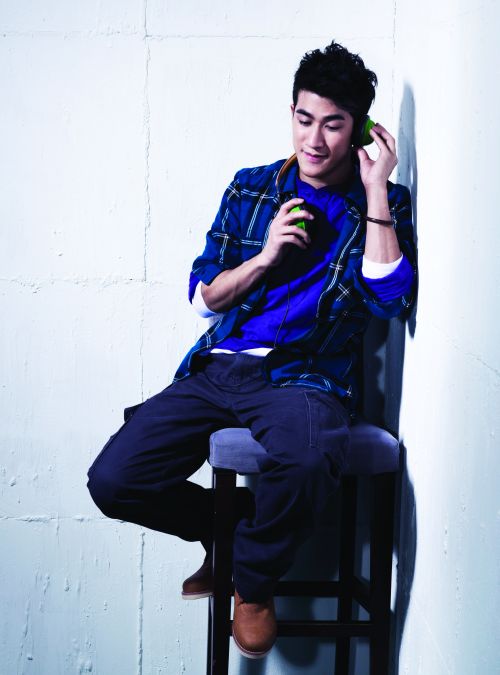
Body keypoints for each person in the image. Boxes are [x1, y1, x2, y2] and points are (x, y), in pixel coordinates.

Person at [87, 40, 416, 660]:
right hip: (220, 367)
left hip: (306, 377)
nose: (314, 140)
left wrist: (376, 191)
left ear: (359, 130)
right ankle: (229, 527)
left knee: (311, 460)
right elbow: (204, 296)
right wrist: (264, 258)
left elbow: (390, 299)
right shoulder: (251, 188)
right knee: (114, 479)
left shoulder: (383, 205)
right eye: (304, 119)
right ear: (291, 113)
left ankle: (253, 583)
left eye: (333, 124)